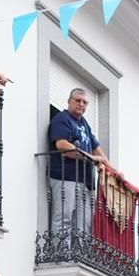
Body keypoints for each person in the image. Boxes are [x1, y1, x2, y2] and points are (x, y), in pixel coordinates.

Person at [47, 87, 107, 248]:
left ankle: (79, 257)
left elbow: (96, 148)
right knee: (64, 217)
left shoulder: (84, 124)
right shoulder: (62, 118)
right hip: (65, 177)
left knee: (84, 222)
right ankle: (61, 255)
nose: (81, 104)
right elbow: (62, 145)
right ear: (69, 101)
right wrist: (91, 158)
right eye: (78, 101)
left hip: (84, 182)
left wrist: (112, 169)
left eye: (85, 102)